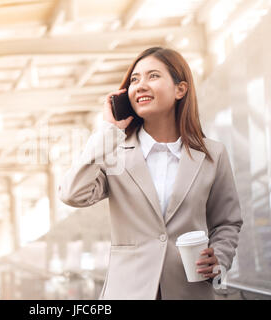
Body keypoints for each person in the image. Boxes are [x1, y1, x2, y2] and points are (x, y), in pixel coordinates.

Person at [58, 47, 243, 300]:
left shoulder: (213, 154)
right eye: (135, 80)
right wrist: (107, 132)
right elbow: (72, 194)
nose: (141, 85)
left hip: (190, 291)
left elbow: (227, 222)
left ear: (180, 89)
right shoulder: (112, 152)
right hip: (127, 292)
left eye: (153, 76)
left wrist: (219, 257)